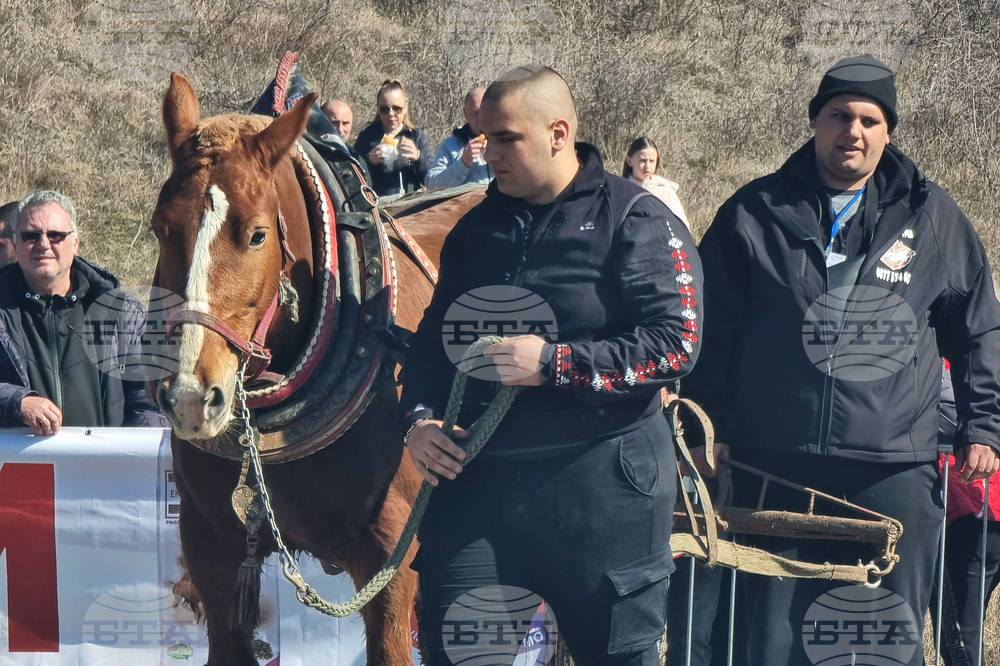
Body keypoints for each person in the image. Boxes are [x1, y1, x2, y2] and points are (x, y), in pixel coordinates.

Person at [683, 54, 1000, 666]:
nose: (852, 131)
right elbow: (710, 329)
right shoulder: (754, 211)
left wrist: (982, 425)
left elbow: (979, 328)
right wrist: (707, 427)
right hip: (773, 457)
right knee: (768, 637)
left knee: (880, 636)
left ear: (889, 132)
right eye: (838, 115)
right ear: (814, 121)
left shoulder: (934, 217)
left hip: (892, 465)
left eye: (869, 120)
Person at [400, 65, 702, 665]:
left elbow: (676, 344)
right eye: (483, 138)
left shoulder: (636, 217)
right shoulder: (473, 231)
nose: (488, 153)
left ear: (558, 133)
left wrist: (555, 364)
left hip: (602, 489)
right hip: (479, 490)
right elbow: (433, 342)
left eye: (505, 138)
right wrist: (418, 420)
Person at [0, 190, 167, 434]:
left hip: (108, 458)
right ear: (16, 244)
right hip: (16, 459)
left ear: (75, 243)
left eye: (55, 235)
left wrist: (129, 451)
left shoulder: (123, 314)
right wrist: (16, 403)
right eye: (31, 236)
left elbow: (151, 400)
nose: (43, 244)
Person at [353, 79, 433, 199]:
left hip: (411, 203)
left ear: (405, 107)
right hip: (379, 204)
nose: (391, 114)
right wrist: (369, 162)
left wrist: (418, 157)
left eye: (397, 108)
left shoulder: (416, 136)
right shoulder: (367, 137)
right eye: (385, 109)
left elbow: (432, 179)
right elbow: (354, 180)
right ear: (378, 108)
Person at [425, 86, 493, 189]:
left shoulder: (507, 140)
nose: (480, 118)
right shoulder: (450, 145)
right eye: (475, 113)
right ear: (465, 113)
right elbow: (431, 183)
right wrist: (463, 164)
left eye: (485, 111)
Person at [623, 137, 690, 230]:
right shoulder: (620, 190)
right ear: (629, 161)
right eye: (642, 160)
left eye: (652, 161)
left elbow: (682, 227)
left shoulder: (665, 192)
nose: (647, 166)